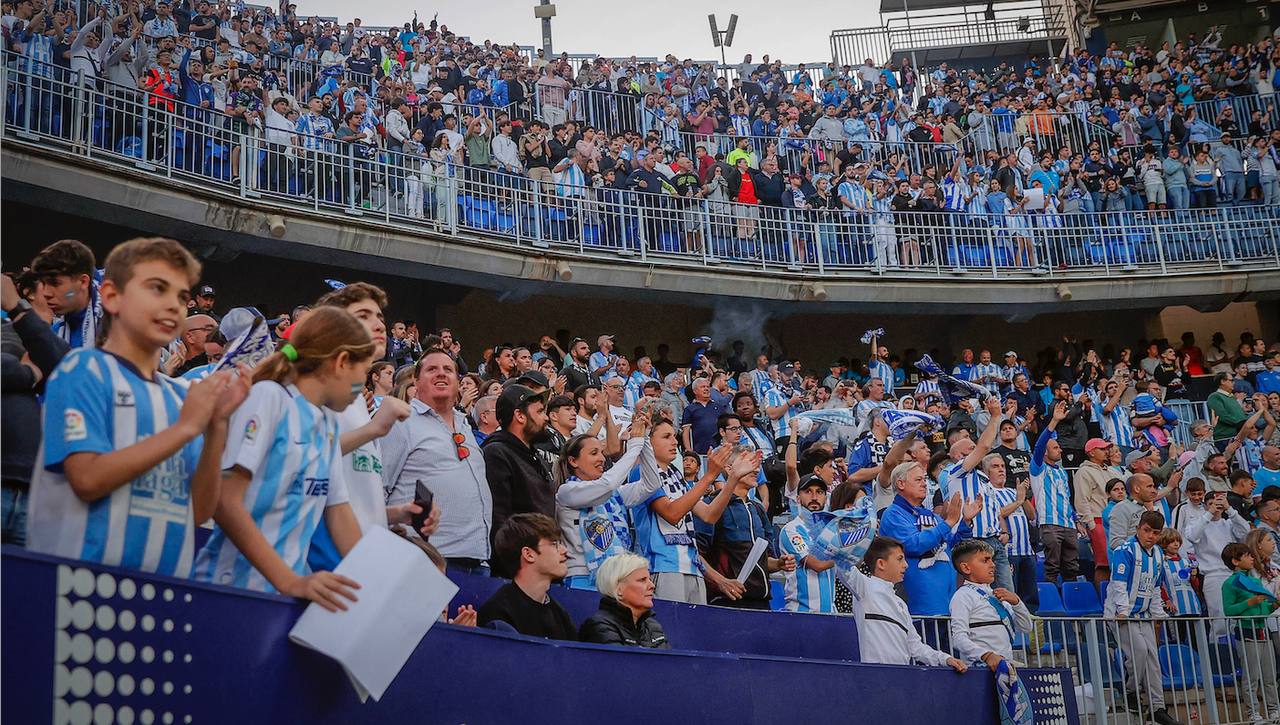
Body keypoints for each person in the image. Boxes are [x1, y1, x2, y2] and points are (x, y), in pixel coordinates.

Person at [26, 238, 249, 576]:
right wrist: (186, 428)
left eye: (181, 296)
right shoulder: (82, 370)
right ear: (112, 296)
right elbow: (86, 480)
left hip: (160, 595)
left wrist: (216, 426)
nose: (174, 305)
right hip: (79, 594)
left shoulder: (178, 396)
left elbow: (199, 510)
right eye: (157, 289)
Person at [193, 307, 371, 610]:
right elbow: (225, 500)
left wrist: (378, 584)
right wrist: (289, 581)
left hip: (282, 601)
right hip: (229, 594)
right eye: (364, 371)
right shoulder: (269, 398)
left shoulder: (327, 424)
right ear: (342, 362)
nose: (364, 384)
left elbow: (339, 512)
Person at [307, 283, 436, 574]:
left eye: (379, 315)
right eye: (363, 315)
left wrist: (395, 514)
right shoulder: (318, 390)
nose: (378, 323)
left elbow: (351, 490)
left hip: (360, 558)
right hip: (322, 564)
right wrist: (374, 429)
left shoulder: (353, 399)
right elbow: (304, 458)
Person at [383, 350, 493, 575]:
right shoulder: (399, 422)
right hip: (424, 560)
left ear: (457, 380)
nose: (440, 374)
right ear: (416, 381)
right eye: (432, 369)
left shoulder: (465, 425)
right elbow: (374, 491)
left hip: (477, 560)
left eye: (448, 370)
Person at [632, 424, 736, 605]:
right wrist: (709, 475)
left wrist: (733, 479)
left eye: (674, 436)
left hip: (694, 568)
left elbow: (709, 515)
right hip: (662, 567)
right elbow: (672, 514)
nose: (674, 441)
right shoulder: (642, 472)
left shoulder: (676, 476)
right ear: (648, 441)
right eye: (666, 437)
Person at [553, 414, 657, 590]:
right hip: (582, 577)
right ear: (573, 461)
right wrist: (634, 446)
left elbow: (651, 484)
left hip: (615, 579)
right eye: (594, 453)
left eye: (601, 453)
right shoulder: (567, 492)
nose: (602, 459)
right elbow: (607, 485)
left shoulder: (614, 495)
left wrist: (645, 440)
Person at [834, 536, 968, 672]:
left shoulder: (901, 604)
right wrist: (859, 537)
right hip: (875, 675)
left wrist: (946, 659)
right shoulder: (864, 587)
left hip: (901, 676)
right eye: (899, 559)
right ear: (881, 564)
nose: (906, 564)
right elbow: (843, 568)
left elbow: (915, 646)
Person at [878, 460, 981, 618]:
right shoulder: (893, 514)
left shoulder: (931, 516)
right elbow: (914, 544)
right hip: (920, 606)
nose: (925, 484)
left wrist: (965, 522)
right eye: (918, 480)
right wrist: (949, 522)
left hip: (948, 603)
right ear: (901, 484)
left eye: (924, 479)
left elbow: (954, 547)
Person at [1105, 511, 1180, 725]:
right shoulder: (1125, 550)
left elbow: (1156, 587)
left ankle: (1157, 707)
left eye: (1156, 533)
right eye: (1147, 530)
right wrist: (1123, 611)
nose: (1151, 536)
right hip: (1122, 614)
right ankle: (1130, 689)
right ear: (1138, 528)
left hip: (1144, 614)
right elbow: (1119, 584)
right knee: (1139, 651)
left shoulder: (1158, 553)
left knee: (1153, 660)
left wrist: (1158, 613)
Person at [698, 445, 795, 609]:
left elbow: (764, 561)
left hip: (761, 602)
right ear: (729, 469)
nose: (756, 469)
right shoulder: (709, 506)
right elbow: (695, 554)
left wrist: (778, 563)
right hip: (726, 602)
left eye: (756, 464)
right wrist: (722, 582)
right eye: (748, 463)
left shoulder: (757, 509)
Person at [482, 384, 555, 570]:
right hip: (518, 570)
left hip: (540, 564)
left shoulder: (533, 455)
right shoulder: (496, 453)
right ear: (520, 416)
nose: (546, 418)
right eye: (539, 411)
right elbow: (499, 519)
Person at [476, 513, 576, 640]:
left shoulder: (561, 615)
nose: (564, 550)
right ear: (528, 554)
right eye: (554, 544)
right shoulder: (498, 613)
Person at [948, 539, 1033, 671]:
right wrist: (986, 656)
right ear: (966, 567)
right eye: (985, 560)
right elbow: (959, 639)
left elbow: (1026, 627)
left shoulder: (999, 595)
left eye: (992, 560)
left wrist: (1017, 603)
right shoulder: (963, 596)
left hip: (1006, 669)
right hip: (979, 670)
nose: (993, 565)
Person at [1221, 541, 1279, 723]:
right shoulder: (1230, 583)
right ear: (1235, 561)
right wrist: (1250, 602)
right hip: (1246, 633)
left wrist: (1275, 605)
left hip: (1263, 631)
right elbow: (1228, 610)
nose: (1252, 558)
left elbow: (1263, 609)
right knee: (1251, 677)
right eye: (1248, 556)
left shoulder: (1254, 581)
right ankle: (1253, 713)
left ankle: (1274, 711)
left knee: (1270, 676)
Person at [1032, 401, 1082, 584]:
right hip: (1050, 523)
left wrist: (1077, 521)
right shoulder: (1038, 469)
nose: (1060, 449)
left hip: (1069, 524)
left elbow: (1066, 499)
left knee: (1072, 567)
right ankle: (1051, 603)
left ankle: (1073, 602)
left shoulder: (1061, 471)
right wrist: (1053, 421)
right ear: (1045, 453)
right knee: (1052, 566)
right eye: (1055, 447)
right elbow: (1038, 447)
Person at [1185, 491, 1251, 630]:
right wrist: (1209, 513)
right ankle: (1218, 649)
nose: (1216, 507)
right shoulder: (1196, 523)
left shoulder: (1229, 523)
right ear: (1205, 505)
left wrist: (1230, 509)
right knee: (1219, 618)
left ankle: (1236, 648)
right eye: (1211, 504)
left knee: (1236, 617)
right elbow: (1192, 536)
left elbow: (1246, 532)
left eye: (1219, 504)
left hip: (1234, 575)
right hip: (1213, 575)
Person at [578, 552, 671, 648]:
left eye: (650, 580)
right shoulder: (599, 626)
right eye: (642, 580)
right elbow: (621, 662)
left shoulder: (654, 627)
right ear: (619, 588)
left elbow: (672, 662)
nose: (652, 585)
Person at [30, 238, 102, 349]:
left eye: (55, 283)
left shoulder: (120, 328)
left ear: (83, 282)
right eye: (43, 283)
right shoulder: (54, 335)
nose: (46, 293)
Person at [779, 474, 837, 612]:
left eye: (820, 492)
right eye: (808, 491)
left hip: (830, 613)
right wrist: (849, 553)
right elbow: (817, 564)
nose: (815, 497)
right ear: (798, 498)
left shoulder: (832, 529)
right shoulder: (791, 530)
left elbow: (856, 563)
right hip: (801, 613)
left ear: (826, 497)